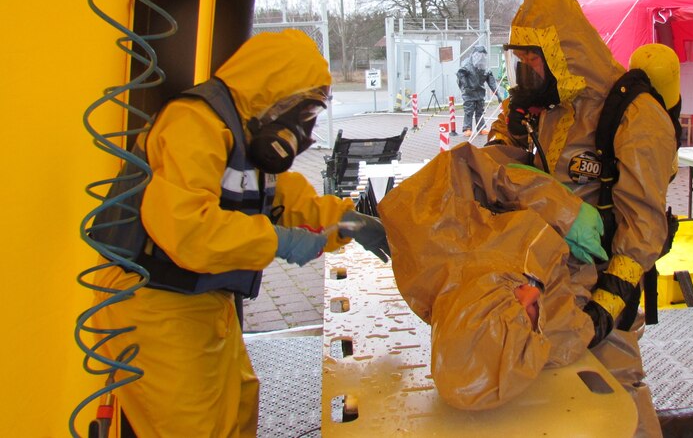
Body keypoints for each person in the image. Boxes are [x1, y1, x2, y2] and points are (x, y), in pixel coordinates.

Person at [91, 29, 389, 438]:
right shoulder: (193, 123)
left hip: (203, 298)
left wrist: (353, 222)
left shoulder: (245, 136)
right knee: (194, 425)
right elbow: (187, 230)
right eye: (303, 115)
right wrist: (277, 241)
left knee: (238, 406)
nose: (303, 133)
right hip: (151, 301)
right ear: (275, 96)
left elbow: (293, 201)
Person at [487, 0, 679, 437]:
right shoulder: (543, 108)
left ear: (562, 51)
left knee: (617, 390)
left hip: (603, 285)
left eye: (534, 59)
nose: (526, 71)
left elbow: (644, 230)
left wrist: (604, 310)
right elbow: (494, 169)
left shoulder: (634, 116)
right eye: (521, 59)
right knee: (556, 402)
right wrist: (509, 136)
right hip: (543, 284)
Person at [456, 44, 504, 136]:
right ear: (474, 54)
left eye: (483, 55)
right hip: (469, 93)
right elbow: (460, 74)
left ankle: (481, 128)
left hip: (480, 93)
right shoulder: (468, 66)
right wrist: (465, 86)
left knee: (480, 111)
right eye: (479, 54)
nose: (481, 57)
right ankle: (467, 128)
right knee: (469, 111)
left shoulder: (485, 69)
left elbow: (492, 83)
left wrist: (498, 94)